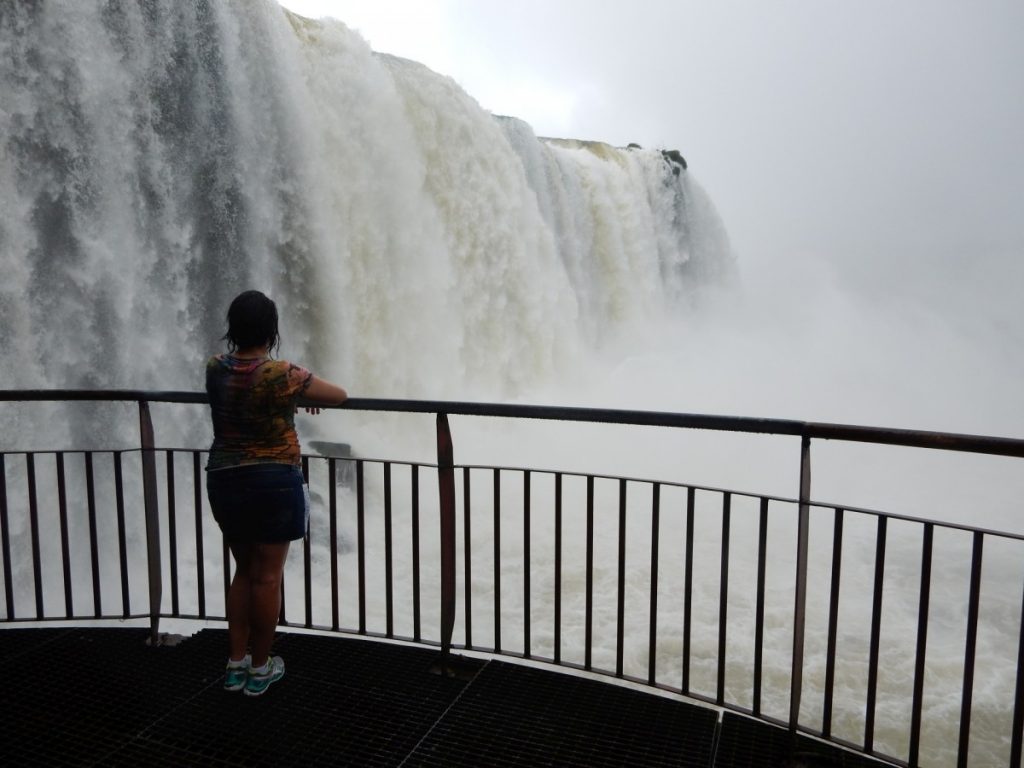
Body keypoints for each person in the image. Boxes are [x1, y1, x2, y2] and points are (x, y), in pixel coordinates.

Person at [205, 290, 348, 696]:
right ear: (271, 330)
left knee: (243, 572)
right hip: (273, 480)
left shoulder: (215, 367)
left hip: (225, 478)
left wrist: (291, 397)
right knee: (267, 578)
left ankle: (235, 665)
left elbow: (241, 394)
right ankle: (261, 668)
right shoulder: (283, 375)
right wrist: (298, 395)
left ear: (233, 328)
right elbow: (338, 395)